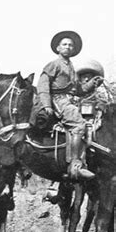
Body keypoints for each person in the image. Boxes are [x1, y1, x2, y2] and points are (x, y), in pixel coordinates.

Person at [36, 31, 103, 180]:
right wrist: (47, 105)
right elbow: (43, 85)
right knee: (79, 125)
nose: (68, 47)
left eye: (70, 45)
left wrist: (92, 83)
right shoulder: (54, 65)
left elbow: (79, 90)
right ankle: (75, 163)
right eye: (64, 44)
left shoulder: (71, 67)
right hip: (58, 99)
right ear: (58, 48)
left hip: (71, 101)